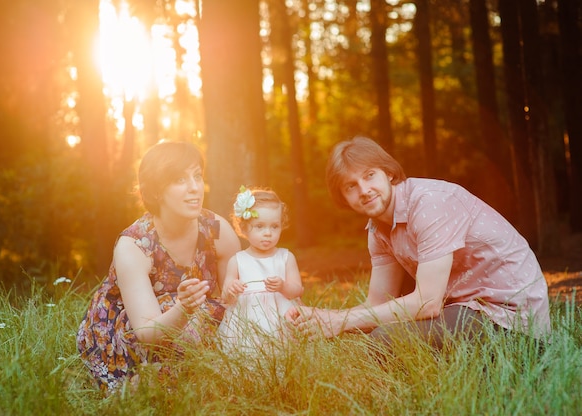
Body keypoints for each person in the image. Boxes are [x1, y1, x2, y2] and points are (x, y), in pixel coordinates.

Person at [286, 136, 551, 349]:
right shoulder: (378, 228)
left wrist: (341, 322)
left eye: (369, 176)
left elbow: (427, 303)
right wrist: (321, 317)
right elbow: (377, 302)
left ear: (388, 173)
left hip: (509, 318)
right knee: (369, 332)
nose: (364, 190)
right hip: (463, 306)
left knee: (384, 339)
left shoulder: (430, 203)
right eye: (350, 186)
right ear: (344, 198)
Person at [76, 141, 241, 393]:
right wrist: (184, 308)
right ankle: (144, 384)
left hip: (193, 317)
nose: (195, 188)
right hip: (136, 327)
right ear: (155, 191)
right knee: (187, 319)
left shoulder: (217, 230)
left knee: (229, 322)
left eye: (197, 176)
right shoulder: (134, 245)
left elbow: (240, 303)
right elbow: (147, 333)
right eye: (179, 180)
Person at [217, 186, 304, 354]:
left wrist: (282, 286)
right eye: (260, 226)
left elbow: (297, 290)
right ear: (243, 228)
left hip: (280, 316)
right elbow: (225, 295)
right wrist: (232, 288)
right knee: (248, 353)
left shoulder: (286, 257)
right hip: (247, 319)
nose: (268, 233)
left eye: (274, 226)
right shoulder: (237, 261)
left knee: (284, 353)